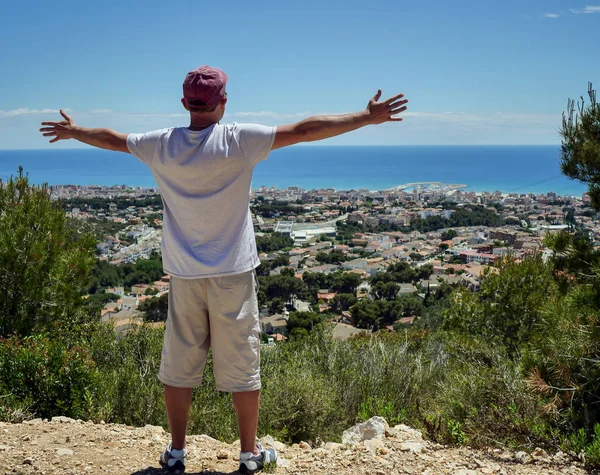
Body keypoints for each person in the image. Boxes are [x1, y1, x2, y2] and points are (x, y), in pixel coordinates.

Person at [39, 65, 408, 474]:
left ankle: (176, 453)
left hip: (184, 275)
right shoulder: (239, 141)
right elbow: (305, 130)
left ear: (184, 103)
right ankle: (249, 456)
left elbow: (113, 140)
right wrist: (365, 117)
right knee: (242, 366)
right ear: (224, 102)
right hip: (233, 273)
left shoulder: (160, 145)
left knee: (179, 367)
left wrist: (76, 132)